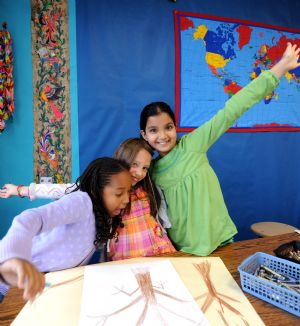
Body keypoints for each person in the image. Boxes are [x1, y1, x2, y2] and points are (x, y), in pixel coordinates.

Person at [140, 43, 300, 256]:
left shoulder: (193, 145)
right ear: (144, 135)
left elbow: (234, 108)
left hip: (218, 243)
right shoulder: (148, 171)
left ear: (175, 127)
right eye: (153, 130)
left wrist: (280, 67)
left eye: (168, 127)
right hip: (180, 250)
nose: (162, 136)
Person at [0, 138, 175, 261]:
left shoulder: (149, 189)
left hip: (156, 252)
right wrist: (20, 190)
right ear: (122, 161)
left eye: (145, 168)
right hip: (126, 256)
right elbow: (61, 190)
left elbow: (160, 220)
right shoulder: (101, 191)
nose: (139, 172)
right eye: (134, 164)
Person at [0, 157, 132, 302]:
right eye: (119, 193)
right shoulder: (81, 202)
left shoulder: (105, 215)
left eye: (128, 192)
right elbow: (30, 218)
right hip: (12, 283)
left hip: (43, 287)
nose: (126, 200)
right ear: (98, 190)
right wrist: (11, 256)